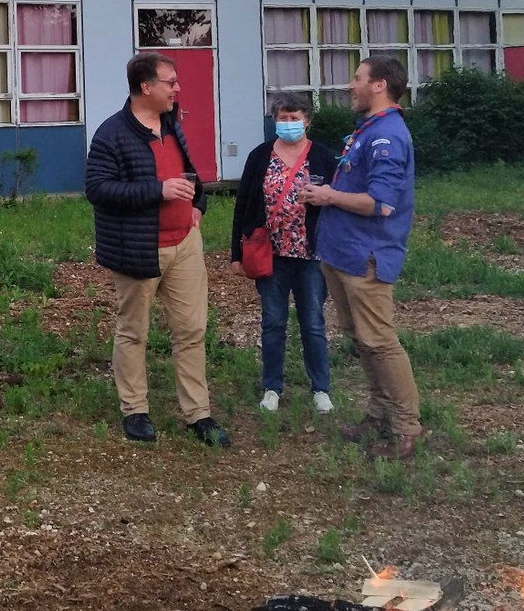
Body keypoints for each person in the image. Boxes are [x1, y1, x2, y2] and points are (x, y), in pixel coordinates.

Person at [85, 52, 229, 447]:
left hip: (185, 245)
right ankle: (135, 410)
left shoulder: (170, 124)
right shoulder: (112, 134)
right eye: (170, 82)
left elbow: (189, 173)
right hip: (139, 248)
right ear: (146, 87)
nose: (177, 88)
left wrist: (198, 204)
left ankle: (198, 414)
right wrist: (157, 191)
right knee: (134, 332)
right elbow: (97, 189)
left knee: (192, 331)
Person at [298, 56, 421, 460]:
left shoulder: (388, 136)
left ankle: (406, 428)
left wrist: (329, 196)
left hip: (366, 255)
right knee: (361, 338)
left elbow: (381, 203)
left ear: (380, 85)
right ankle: (379, 413)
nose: (351, 86)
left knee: (380, 341)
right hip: (343, 253)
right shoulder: (368, 129)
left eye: (357, 79)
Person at [231, 94, 338, 415]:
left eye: (295, 118)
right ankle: (272, 387)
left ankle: (320, 388)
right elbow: (243, 203)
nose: (288, 123)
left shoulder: (323, 157)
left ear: (307, 121)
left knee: (313, 323)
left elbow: (338, 200)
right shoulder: (260, 156)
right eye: (283, 117)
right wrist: (236, 252)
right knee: (273, 322)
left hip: (312, 255)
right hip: (271, 254)